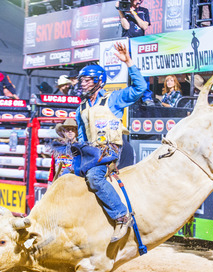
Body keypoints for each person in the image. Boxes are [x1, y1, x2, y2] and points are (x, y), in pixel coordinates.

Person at [75, 41, 146, 242]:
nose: (82, 84)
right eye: (81, 81)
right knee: (67, 175)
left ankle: (121, 216)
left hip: (112, 150)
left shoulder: (113, 99)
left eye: (87, 81)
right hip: (92, 152)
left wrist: (128, 62)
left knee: (95, 177)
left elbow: (140, 88)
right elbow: (82, 136)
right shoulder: (81, 108)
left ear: (98, 82)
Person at [116, 0, 153, 105]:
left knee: (143, 70)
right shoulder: (124, 9)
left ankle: (146, 97)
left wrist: (133, 13)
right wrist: (120, 11)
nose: (139, 2)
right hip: (127, 43)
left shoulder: (143, 11)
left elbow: (144, 26)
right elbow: (126, 26)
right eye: (137, 0)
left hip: (140, 44)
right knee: (128, 71)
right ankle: (129, 96)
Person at [48, 118, 78, 185]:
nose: (70, 132)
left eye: (72, 130)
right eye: (67, 130)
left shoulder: (79, 149)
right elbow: (52, 169)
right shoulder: (57, 149)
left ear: (75, 132)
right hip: (58, 183)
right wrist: (50, 184)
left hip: (73, 184)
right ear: (63, 132)